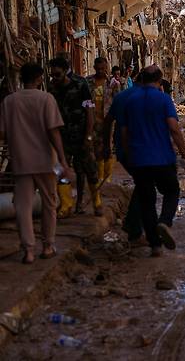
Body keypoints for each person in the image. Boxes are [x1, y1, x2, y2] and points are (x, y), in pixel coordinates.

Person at [0, 63, 73, 264]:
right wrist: (63, 160)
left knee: (23, 207)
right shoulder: (46, 99)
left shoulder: (9, 101)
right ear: (40, 78)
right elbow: (53, 131)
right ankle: (48, 246)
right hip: (45, 162)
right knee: (50, 204)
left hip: (21, 162)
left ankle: (29, 251)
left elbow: (2, 133)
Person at [119, 65, 185, 257]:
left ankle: (155, 245)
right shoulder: (163, 99)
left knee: (146, 200)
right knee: (171, 190)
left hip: (139, 160)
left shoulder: (130, 100)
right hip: (162, 158)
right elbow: (174, 129)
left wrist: (129, 154)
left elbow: (124, 133)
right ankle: (165, 221)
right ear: (159, 80)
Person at [49, 58, 102, 217]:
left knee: (89, 170)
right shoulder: (52, 88)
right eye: (52, 75)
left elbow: (89, 110)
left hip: (81, 135)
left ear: (66, 71)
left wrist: (89, 136)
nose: (54, 78)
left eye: (57, 74)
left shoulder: (81, 85)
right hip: (62, 137)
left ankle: (96, 202)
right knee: (61, 171)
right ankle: (66, 204)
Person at [104, 71, 143, 241]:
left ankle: (134, 226)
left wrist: (107, 145)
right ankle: (133, 226)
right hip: (140, 150)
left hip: (123, 150)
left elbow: (108, 121)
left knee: (143, 185)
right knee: (145, 186)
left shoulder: (121, 97)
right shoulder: (145, 98)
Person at [87, 57, 114, 186]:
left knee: (108, 147)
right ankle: (99, 175)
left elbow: (117, 101)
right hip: (92, 120)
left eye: (103, 69)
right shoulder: (88, 82)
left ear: (107, 68)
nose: (101, 71)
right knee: (95, 149)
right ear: (94, 68)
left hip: (107, 121)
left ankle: (107, 177)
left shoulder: (113, 83)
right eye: (98, 69)